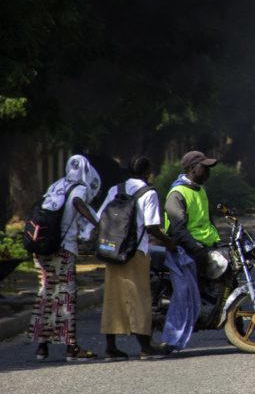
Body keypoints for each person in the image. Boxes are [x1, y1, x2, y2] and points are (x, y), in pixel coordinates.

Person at [96, 156, 174, 360]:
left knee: (113, 298)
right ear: (148, 171)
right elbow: (151, 226)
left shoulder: (116, 189)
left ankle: (110, 348)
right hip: (136, 252)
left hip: (113, 251)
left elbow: (100, 217)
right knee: (140, 299)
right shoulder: (149, 193)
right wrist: (170, 243)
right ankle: (146, 347)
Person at [28, 154, 102, 361]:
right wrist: (98, 223)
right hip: (63, 249)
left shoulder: (56, 185)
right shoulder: (80, 188)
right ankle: (72, 348)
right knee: (67, 296)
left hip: (41, 248)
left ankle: (42, 347)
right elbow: (79, 202)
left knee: (47, 293)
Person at [164, 151, 221, 274]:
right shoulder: (177, 193)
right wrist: (196, 249)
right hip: (190, 252)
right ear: (192, 168)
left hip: (207, 247)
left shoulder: (200, 190)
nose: (208, 173)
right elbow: (178, 230)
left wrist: (216, 242)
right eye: (204, 168)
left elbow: (208, 220)